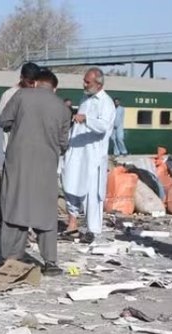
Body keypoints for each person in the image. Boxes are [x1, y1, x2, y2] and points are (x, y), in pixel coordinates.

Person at [0, 69, 70, 276]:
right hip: (47, 166)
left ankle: (12, 259)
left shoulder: (21, 95)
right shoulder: (63, 108)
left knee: (15, 208)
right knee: (45, 213)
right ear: (54, 87)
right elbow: (64, 144)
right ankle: (50, 262)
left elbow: (4, 121)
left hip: (18, 163)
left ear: (36, 83)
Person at [62, 67, 115, 241]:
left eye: (87, 82)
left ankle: (92, 230)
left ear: (98, 84)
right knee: (71, 184)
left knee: (91, 193)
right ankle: (72, 224)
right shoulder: (85, 98)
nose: (84, 84)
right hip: (77, 150)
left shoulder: (106, 102)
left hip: (93, 155)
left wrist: (86, 119)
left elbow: (103, 127)